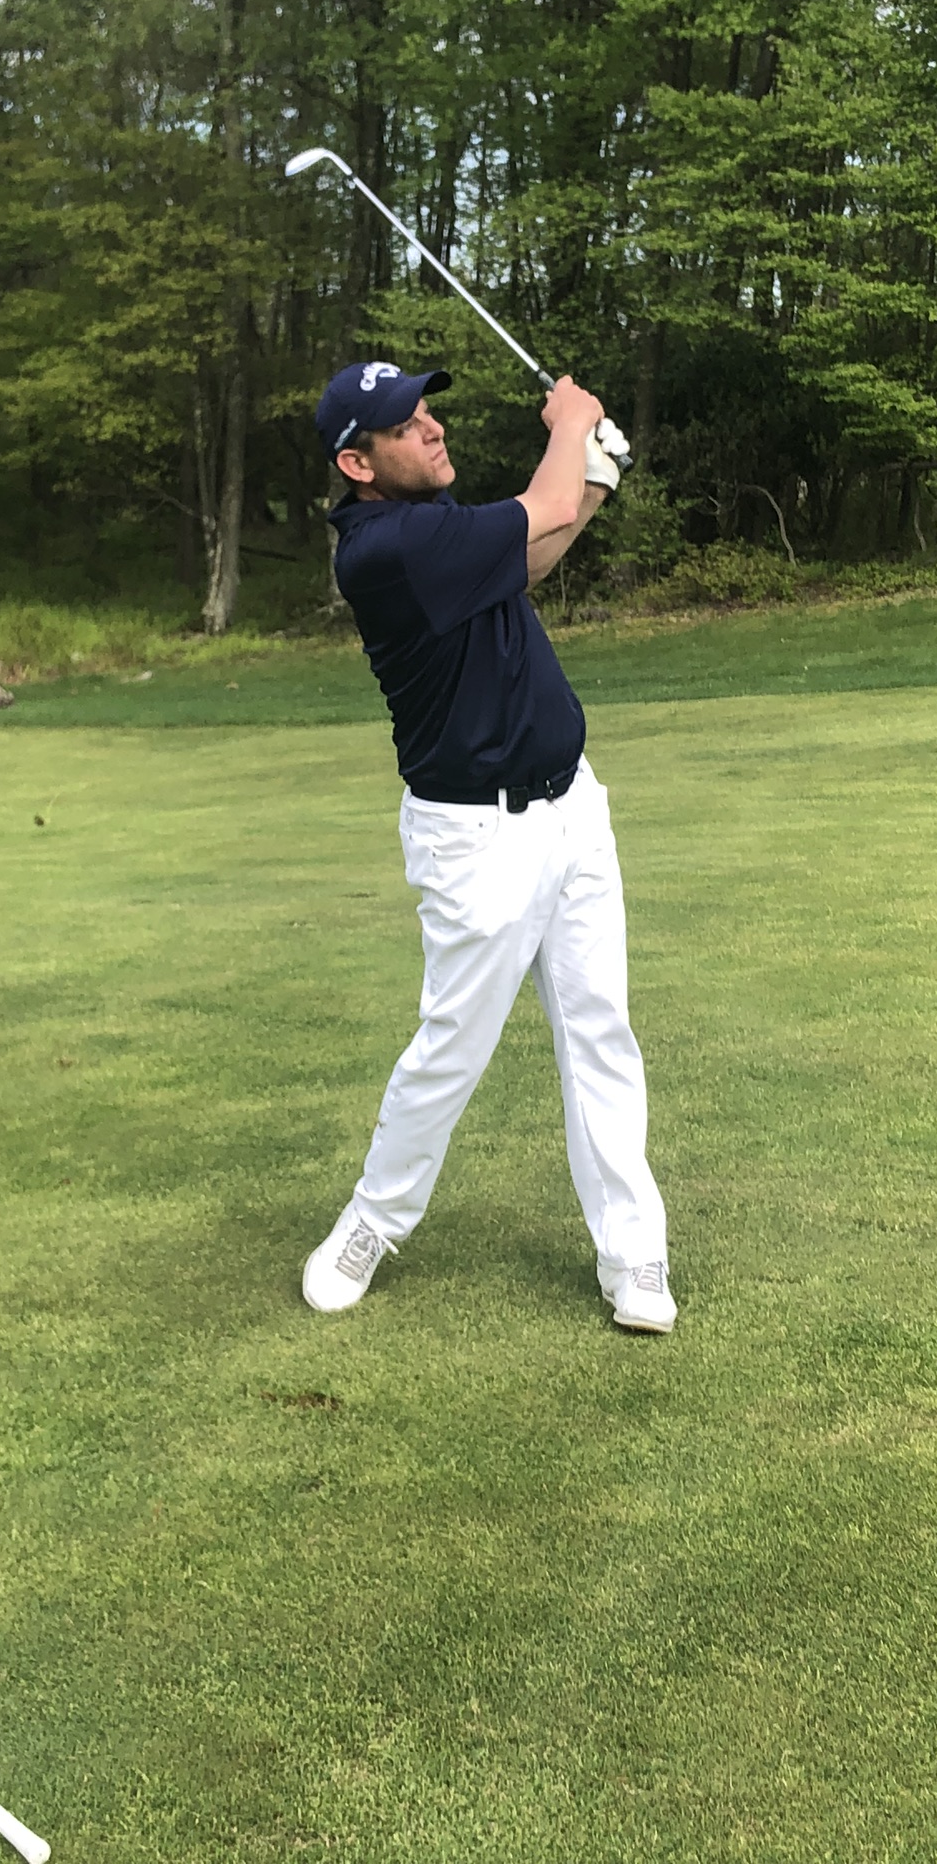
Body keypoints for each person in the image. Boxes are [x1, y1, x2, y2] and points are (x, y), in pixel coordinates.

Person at [301, 359, 675, 1333]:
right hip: (474, 838)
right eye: (405, 426)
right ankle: (373, 1220)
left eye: (427, 412)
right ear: (358, 464)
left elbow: (535, 554)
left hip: (572, 807)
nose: (431, 429)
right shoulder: (386, 549)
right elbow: (544, 503)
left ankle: (633, 1253)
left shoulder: (440, 527)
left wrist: (596, 480)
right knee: (450, 1051)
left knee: (601, 1030)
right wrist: (574, 424)